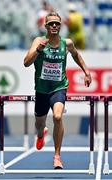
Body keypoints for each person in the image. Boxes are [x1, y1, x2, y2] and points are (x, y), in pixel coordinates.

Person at [24, 11, 92, 169]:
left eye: (57, 23)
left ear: (60, 26)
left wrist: (87, 72)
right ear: (46, 26)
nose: (54, 26)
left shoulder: (66, 43)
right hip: (41, 89)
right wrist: (38, 50)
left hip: (58, 87)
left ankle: (57, 156)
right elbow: (26, 62)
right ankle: (41, 134)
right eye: (51, 23)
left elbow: (76, 55)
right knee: (39, 124)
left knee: (57, 116)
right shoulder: (39, 41)